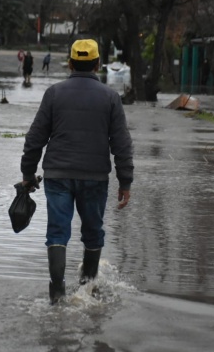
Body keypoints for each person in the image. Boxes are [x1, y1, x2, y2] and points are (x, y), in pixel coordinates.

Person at [20, 39, 134, 304]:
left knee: (57, 232)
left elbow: (35, 138)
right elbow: (122, 144)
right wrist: (125, 181)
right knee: (93, 232)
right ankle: (87, 290)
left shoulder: (54, 93)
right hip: (95, 177)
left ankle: (57, 295)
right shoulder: (110, 97)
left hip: (58, 175)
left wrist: (28, 173)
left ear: (70, 63)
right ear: (97, 64)